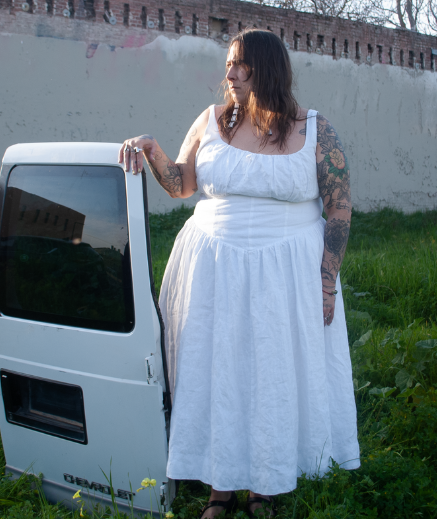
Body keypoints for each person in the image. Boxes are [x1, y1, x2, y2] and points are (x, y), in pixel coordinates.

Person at [118, 29, 359, 518]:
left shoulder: (314, 130)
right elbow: (182, 184)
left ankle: (263, 488)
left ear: (266, 69)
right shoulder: (210, 122)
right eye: (228, 64)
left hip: (285, 274)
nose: (228, 74)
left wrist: (327, 281)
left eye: (240, 65)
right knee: (216, 371)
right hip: (213, 269)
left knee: (270, 372)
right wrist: (151, 150)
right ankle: (218, 492)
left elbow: (338, 208)